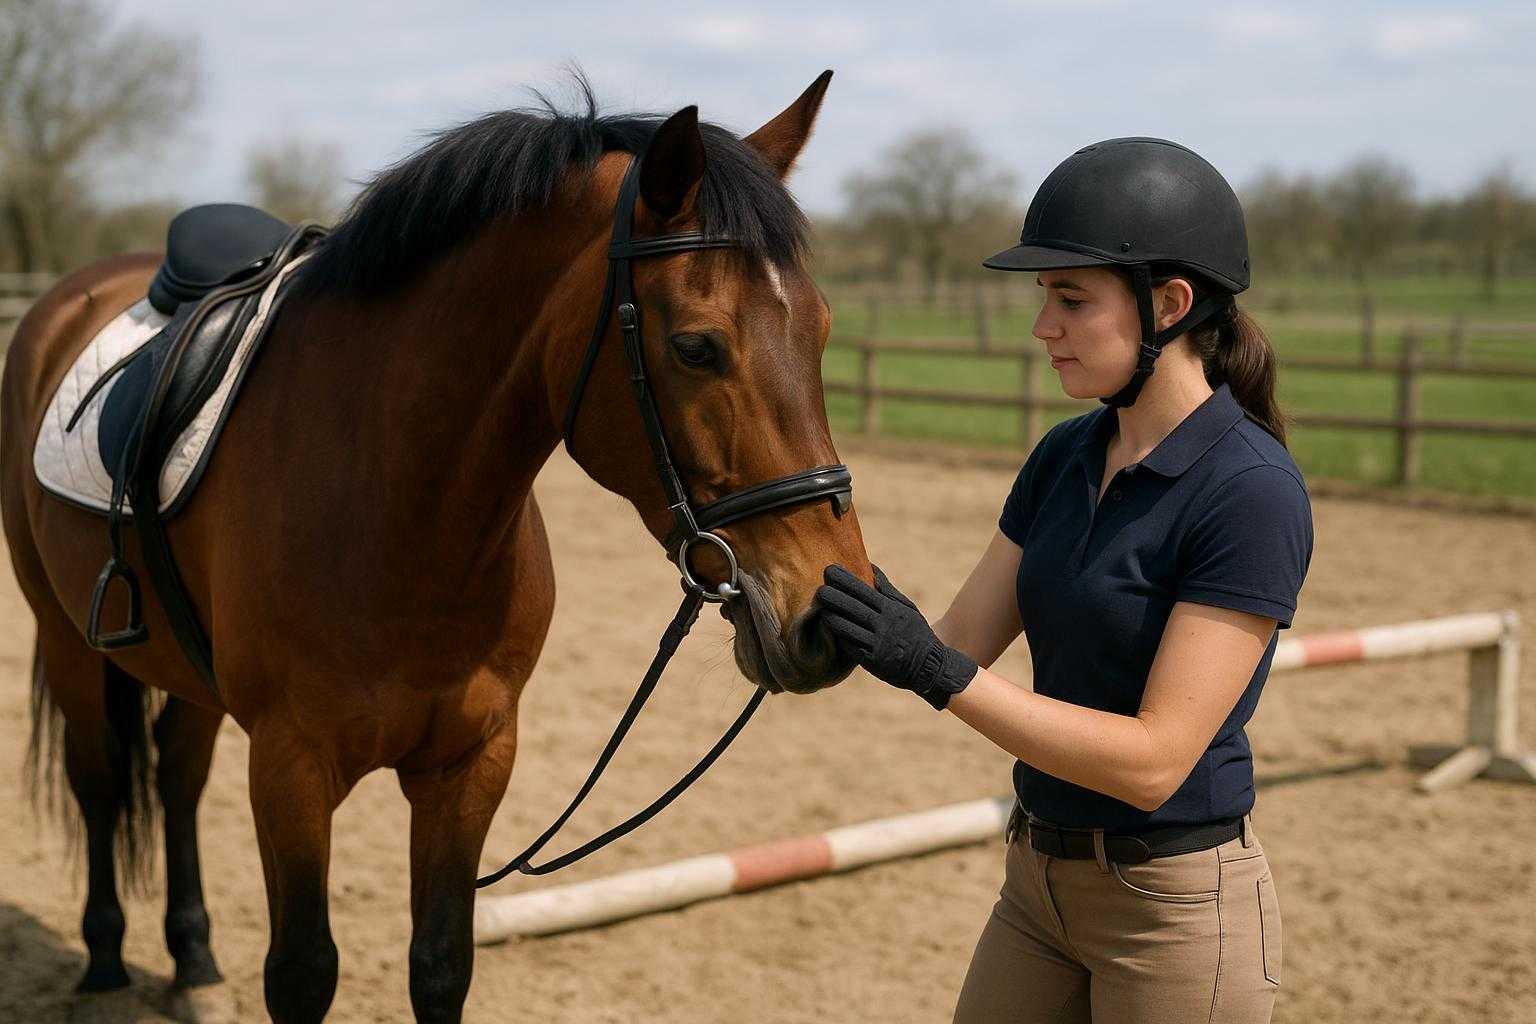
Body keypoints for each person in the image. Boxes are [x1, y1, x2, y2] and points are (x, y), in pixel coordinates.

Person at [816, 137, 1313, 1023]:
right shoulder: (1066, 455)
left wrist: (936, 674)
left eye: (1071, 301)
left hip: (1170, 908)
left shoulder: (1251, 493)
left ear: (1170, 304)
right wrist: (828, 589)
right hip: (1035, 886)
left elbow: (1155, 763)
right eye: (1043, 299)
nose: (1042, 328)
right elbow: (960, 638)